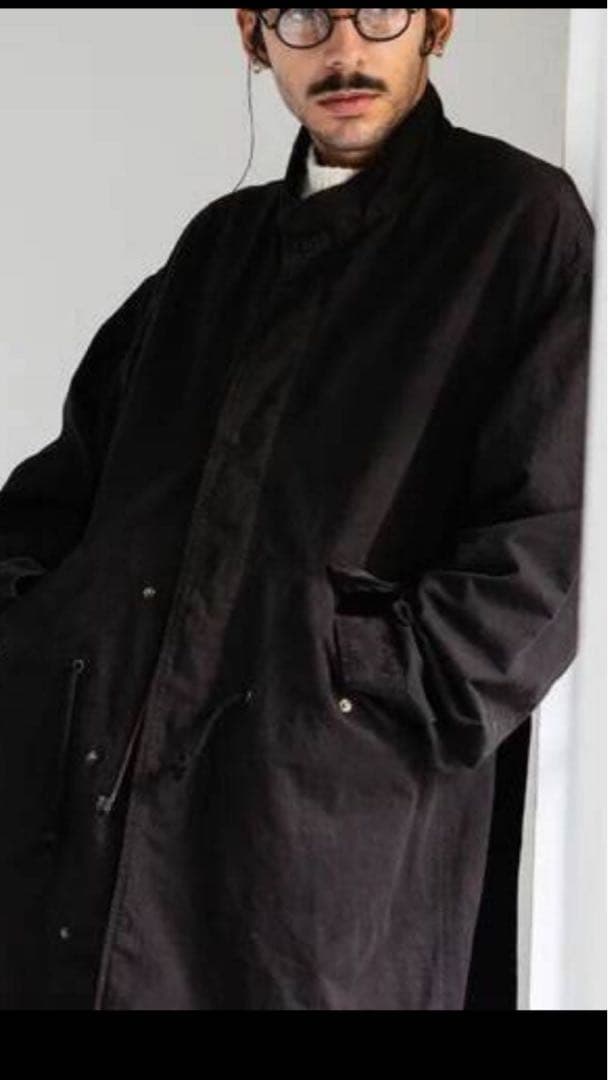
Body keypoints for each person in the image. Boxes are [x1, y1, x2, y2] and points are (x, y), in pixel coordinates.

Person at [0, 9, 594, 1010]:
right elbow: (62, 493)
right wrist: (42, 627)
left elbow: (548, 541)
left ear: (436, 23)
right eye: (303, 16)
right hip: (95, 800)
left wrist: (358, 689)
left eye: (379, 12)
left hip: (320, 822)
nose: (344, 50)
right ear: (253, 35)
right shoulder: (217, 247)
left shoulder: (515, 223)